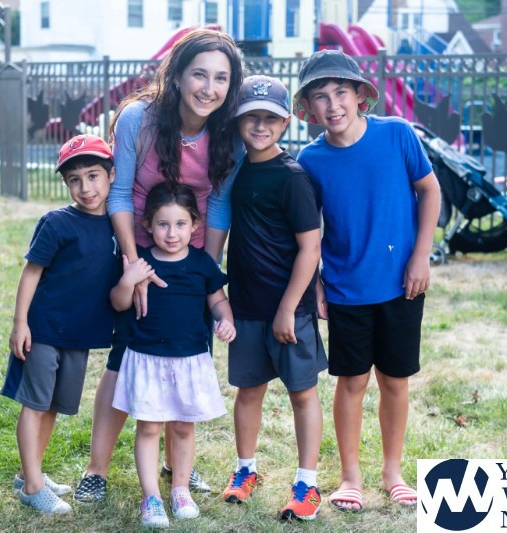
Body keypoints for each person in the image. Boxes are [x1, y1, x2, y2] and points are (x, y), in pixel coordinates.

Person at [74, 28, 245, 504]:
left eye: (221, 78)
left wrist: (203, 273)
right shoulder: (139, 119)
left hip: (192, 259)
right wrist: (134, 267)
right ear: (178, 76)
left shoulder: (228, 134)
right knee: (125, 358)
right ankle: (96, 469)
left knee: (184, 359)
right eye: (199, 74)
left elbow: (219, 206)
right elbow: (120, 192)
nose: (209, 87)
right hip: (140, 250)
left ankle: (176, 467)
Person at [292, 50, 441, 512]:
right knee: (352, 381)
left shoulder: (397, 134)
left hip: (402, 284)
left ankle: (393, 471)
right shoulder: (310, 160)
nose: (333, 104)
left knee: (395, 379)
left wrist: (421, 256)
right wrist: (316, 283)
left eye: (341, 92)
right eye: (320, 96)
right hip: (345, 288)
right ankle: (350, 476)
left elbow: (430, 190)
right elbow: (308, 229)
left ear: (360, 95)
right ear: (309, 108)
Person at [220, 75, 327, 521]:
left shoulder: (292, 177)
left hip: (290, 310)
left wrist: (288, 308)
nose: (260, 126)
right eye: (251, 118)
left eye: (270, 118)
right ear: (237, 122)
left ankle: (307, 483)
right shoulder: (236, 172)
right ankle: (246, 471)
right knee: (248, 391)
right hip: (246, 306)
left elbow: (310, 248)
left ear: (285, 123)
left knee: (302, 393)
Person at [0, 134, 121, 514]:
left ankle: (29, 471)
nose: (85, 188)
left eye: (93, 176)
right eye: (75, 180)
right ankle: (33, 487)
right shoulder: (56, 223)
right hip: (44, 330)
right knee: (35, 404)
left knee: (53, 405)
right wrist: (20, 323)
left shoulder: (118, 226)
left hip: (79, 335)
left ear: (111, 175)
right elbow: (31, 272)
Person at [111, 182, 235, 527]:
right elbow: (119, 303)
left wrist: (226, 320)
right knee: (149, 427)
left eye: (180, 224)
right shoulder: (142, 261)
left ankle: (180, 488)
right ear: (148, 224)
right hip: (147, 357)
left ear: (195, 224)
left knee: (182, 425)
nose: (171, 233)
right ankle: (150, 496)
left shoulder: (202, 264)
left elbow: (217, 300)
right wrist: (129, 280)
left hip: (189, 359)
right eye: (163, 224)